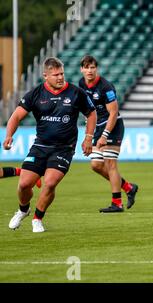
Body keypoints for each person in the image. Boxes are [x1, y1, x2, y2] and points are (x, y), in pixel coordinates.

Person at [3, 57, 96, 232]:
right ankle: (23, 210)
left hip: (64, 148)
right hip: (40, 146)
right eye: (55, 75)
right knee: (24, 184)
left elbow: (91, 114)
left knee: (50, 182)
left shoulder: (76, 93)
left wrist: (88, 138)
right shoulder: (35, 94)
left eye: (62, 73)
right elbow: (15, 116)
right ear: (45, 76)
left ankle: (37, 218)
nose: (60, 77)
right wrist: (9, 135)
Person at [79, 55, 138, 213]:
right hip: (97, 127)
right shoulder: (81, 84)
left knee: (110, 162)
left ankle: (116, 203)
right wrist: (88, 135)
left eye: (92, 67)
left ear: (96, 68)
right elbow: (87, 111)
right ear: (81, 69)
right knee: (96, 165)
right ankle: (128, 187)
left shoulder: (105, 86)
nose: (90, 70)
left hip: (113, 126)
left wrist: (105, 135)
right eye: (86, 67)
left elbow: (113, 112)